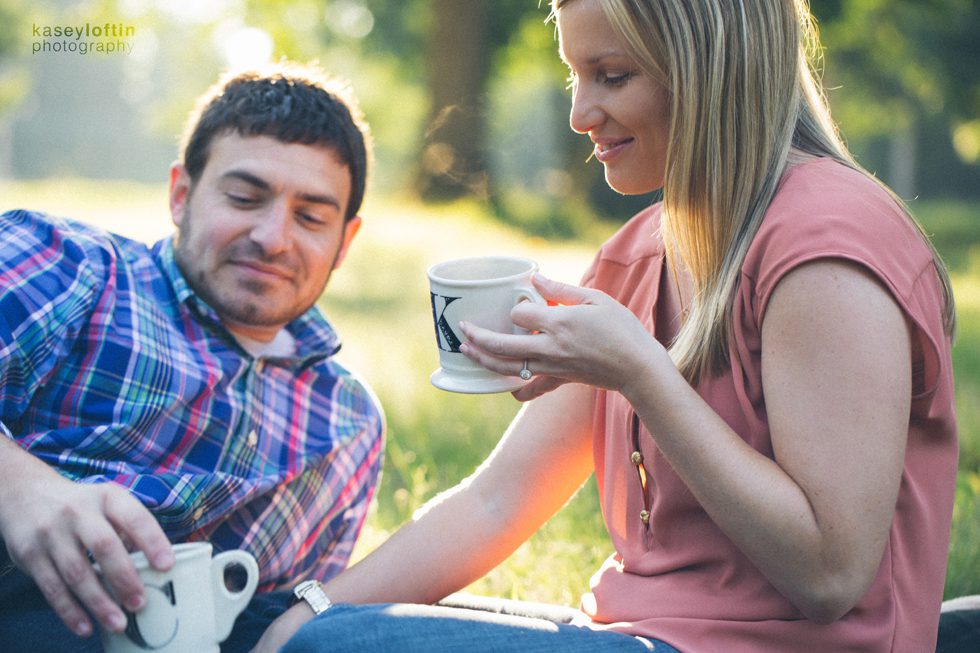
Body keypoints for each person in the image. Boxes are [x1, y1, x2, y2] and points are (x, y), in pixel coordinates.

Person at [254, 0, 959, 651]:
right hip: (632, 631)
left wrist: (641, 373)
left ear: (711, 64)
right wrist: (309, 608)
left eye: (612, 76)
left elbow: (829, 574)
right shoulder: (640, 251)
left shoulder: (825, 245)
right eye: (575, 77)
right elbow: (497, 501)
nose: (581, 113)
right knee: (290, 622)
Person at [0, 61, 384, 653]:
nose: (273, 238)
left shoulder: (349, 424)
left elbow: (305, 614)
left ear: (345, 242)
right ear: (181, 194)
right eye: (244, 197)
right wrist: (19, 486)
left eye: (310, 217)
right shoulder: (70, 267)